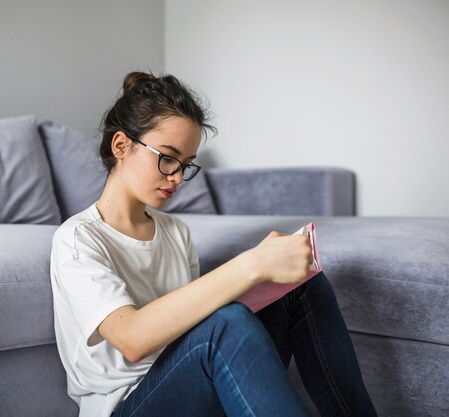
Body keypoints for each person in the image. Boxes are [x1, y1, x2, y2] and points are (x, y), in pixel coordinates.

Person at [49, 71, 377, 417]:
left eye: (186, 165)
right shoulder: (77, 239)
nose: (176, 177)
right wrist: (252, 265)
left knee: (300, 287)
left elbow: (191, 331)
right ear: (121, 146)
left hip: (193, 387)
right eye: (167, 157)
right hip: (128, 406)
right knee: (226, 323)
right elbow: (132, 339)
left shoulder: (175, 232)